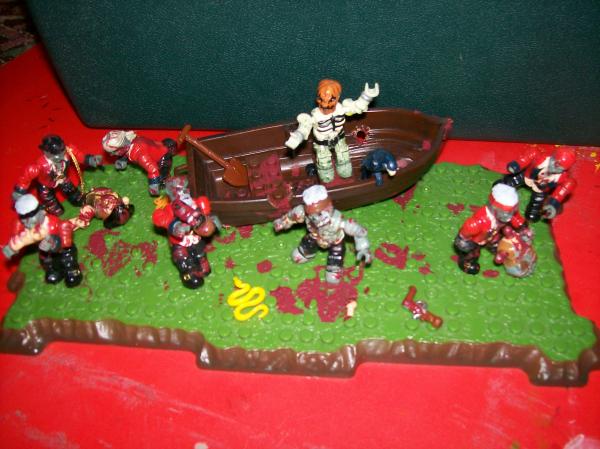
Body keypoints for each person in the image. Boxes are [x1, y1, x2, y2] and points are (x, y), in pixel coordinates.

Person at [273, 184, 372, 284]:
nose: (316, 219)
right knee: (308, 243)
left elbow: (358, 231)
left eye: (320, 214)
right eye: (312, 215)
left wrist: (363, 248)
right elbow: (290, 217)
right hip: (315, 236)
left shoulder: (338, 221)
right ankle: (306, 253)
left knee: (336, 255)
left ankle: (334, 268)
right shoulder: (302, 212)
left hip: (335, 241)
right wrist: (281, 223)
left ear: (329, 207)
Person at [285, 79, 379, 183]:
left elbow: (356, 107)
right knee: (324, 162)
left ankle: (343, 169)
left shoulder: (341, 109)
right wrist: (298, 136)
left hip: (339, 138)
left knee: (343, 157)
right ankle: (326, 175)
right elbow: (304, 127)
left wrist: (366, 97)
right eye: (321, 99)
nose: (325, 105)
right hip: (322, 143)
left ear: (337, 98)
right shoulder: (315, 116)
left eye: (330, 100)